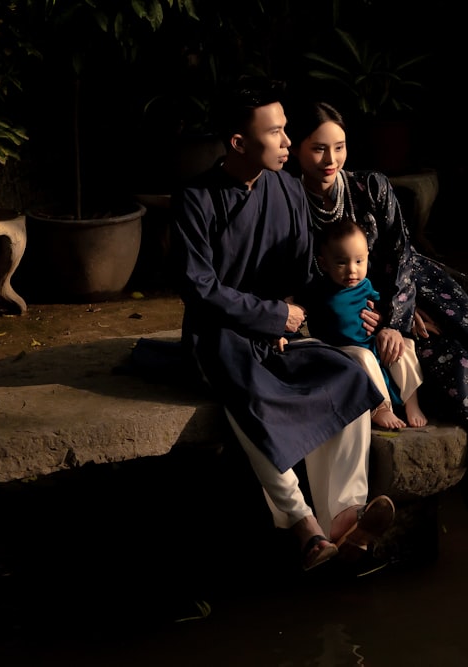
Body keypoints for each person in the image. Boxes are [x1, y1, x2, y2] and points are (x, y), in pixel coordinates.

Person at [288, 100, 468, 531]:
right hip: (356, 312)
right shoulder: (288, 203)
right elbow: (307, 280)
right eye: (318, 149)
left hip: (413, 293)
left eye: (339, 147)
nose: (331, 160)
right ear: (296, 149)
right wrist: (371, 319)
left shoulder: (371, 186)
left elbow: (401, 254)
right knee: (451, 372)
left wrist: (398, 320)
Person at [169, 77, 396, 572]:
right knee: (250, 390)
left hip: (280, 332)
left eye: (286, 129)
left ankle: (344, 517)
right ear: (238, 143)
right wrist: (272, 314)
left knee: (349, 375)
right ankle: (302, 523)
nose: (289, 142)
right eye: (275, 133)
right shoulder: (194, 199)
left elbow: (303, 274)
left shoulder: (288, 189)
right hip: (219, 335)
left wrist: (308, 310)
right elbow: (200, 288)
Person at [304, 217, 428, 430]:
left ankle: (412, 402)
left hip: (370, 342)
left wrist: (389, 322)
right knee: (364, 357)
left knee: (404, 345)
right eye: (341, 262)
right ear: (324, 263)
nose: (352, 270)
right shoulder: (320, 292)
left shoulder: (366, 286)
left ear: (367, 258)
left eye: (358, 261)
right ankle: (380, 407)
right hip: (343, 351)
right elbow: (304, 309)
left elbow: (387, 306)